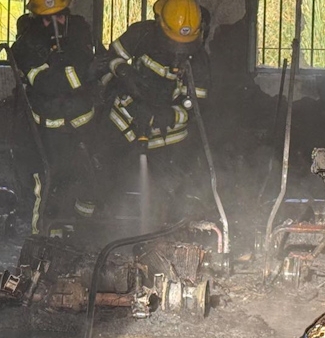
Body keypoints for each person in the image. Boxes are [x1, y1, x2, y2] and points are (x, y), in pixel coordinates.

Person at [101, 0, 211, 224]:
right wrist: (123, 71)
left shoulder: (198, 61)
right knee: (107, 186)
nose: (178, 52)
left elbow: (197, 109)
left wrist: (168, 115)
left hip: (167, 140)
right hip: (123, 127)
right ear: (160, 25)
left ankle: (160, 239)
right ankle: (104, 232)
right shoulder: (141, 35)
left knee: (165, 196)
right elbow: (106, 60)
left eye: (186, 45)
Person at [12, 0, 100, 236]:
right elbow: (46, 83)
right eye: (46, 19)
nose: (54, 24)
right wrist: (73, 75)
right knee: (49, 184)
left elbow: (90, 70)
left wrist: (64, 72)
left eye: (59, 16)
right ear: (36, 19)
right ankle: (43, 241)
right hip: (48, 131)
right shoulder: (25, 45)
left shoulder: (79, 29)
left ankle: (82, 234)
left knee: (91, 180)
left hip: (83, 125)